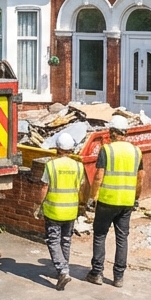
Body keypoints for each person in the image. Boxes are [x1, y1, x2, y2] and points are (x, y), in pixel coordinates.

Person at [86, 116, 144, 288]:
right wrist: (136, 198)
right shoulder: (136, 151)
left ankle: (96, 273)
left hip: (107, 200)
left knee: (100, 235)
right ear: (125, 133)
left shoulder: (107, 150)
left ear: (111, 132)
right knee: (122, 238)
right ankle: (119, 277)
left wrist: (92, 197)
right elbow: (140, 178)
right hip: (126, 202)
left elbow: (98, 176)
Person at [33, 132, 82, 290]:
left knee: (53, 240)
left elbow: (44, 188)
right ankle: (63, 269)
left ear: (58, 148)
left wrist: (38, 206)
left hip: (54, 210)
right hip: (71, 210)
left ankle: (62, 271)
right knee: (66, 240)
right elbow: (80, 187)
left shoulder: (51, 165)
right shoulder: (78, 166)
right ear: (71, 149)